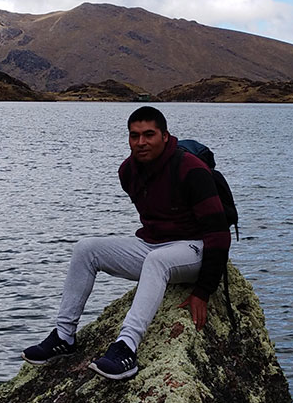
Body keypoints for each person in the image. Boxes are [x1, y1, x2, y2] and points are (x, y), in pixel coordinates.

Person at [23, 106, 231, 380]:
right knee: (86, 249)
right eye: (134, 135)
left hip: (195, 249)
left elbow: (219, 233)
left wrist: (203, 291)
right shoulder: (128, 171)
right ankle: (64, 336)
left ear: (165, 136)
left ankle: (126, 348)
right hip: (155, 245)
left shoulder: (191, 169)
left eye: (149, 134)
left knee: (157, 261)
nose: (141, 142)